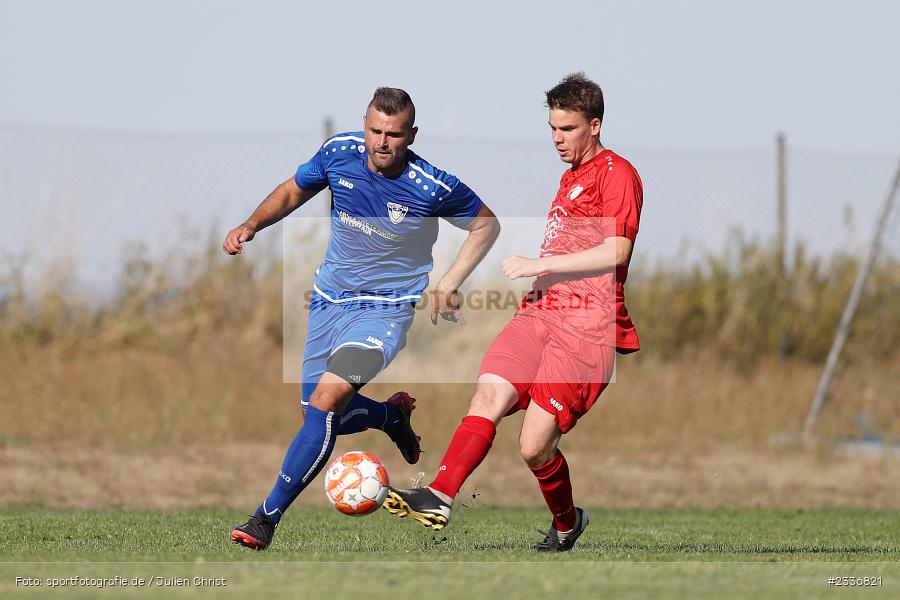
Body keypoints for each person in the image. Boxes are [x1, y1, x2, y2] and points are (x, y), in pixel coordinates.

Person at [224, 87, 500, 550]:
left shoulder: (430, 184)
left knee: (327, 402)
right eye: (375, 130)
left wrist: (449, 282)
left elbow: (486, 223)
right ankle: (390, 416)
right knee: (319, 413)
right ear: (364, 124)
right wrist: (252, 224)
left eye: (394, 134)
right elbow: (295, 188)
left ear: (411, 135)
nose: (381, 142)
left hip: (384, 311)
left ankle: (264, 519)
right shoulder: (339, 152)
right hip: (329, 302)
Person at [383, 73, 643, 552]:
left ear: (595, 125)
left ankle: (567, 522)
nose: (557, 139)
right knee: (488, 394)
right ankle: (438, 495)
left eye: (567, 129)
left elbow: (617, 251)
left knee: (533, 446)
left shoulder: (618, 173)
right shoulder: (569, 178)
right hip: (539, 313)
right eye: (552, 128)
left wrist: (539, 263)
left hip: (588, 329)